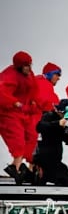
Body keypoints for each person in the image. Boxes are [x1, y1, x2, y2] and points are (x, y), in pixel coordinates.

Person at [0, 51, 37, 184]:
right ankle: (15, 167)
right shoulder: (9, 75)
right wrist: (14, 102)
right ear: (19, 66)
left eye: (29, 64)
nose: (29, 68)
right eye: (25, 65)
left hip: (23, 112)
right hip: (7, 113)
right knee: (18, 140)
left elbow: (33, 88)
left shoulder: (29, 74)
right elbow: (1, 92)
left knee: (32, 136)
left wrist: (32, 101)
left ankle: (24, 167)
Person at [31, 99, 68, 186]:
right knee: (66, 180)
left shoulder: (65, 122)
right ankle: (36, 173)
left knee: (67, 180)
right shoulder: (48, 116)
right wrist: (58, 123)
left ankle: (38, 176)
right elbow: (40, 127)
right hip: (44, 157)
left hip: (55, 160)